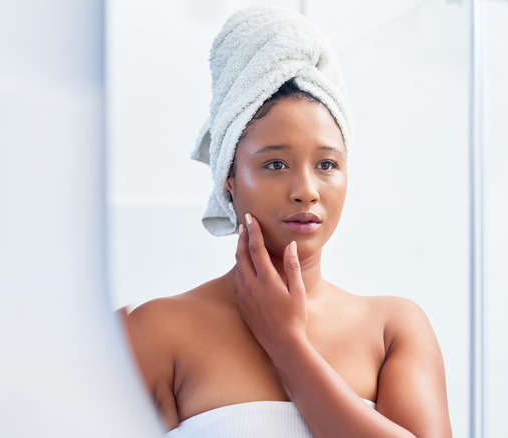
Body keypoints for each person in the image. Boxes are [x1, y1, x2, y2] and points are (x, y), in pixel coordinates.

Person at [126, 6, 451, 437]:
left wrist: (287, 345)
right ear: (228, 180)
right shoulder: (154, 332)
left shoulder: (393, 329)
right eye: (275, 163)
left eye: (327, 164)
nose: (307, 190)